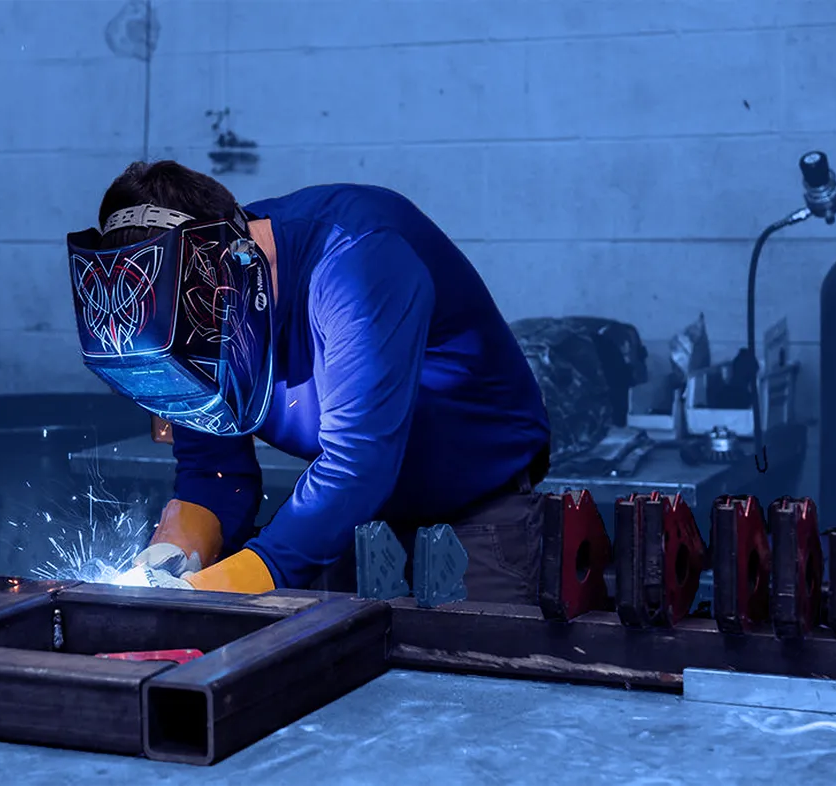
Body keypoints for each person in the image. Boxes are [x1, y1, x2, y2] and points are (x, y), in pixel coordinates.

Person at [65, 161, 551, 603]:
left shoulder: (357, 259)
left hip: (473, 514)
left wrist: (219, 588)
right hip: (347, 525)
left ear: (230, 270)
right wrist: (172, 559)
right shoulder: (184, 320)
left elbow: (358, 462)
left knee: (462, 687)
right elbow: (214, 474)